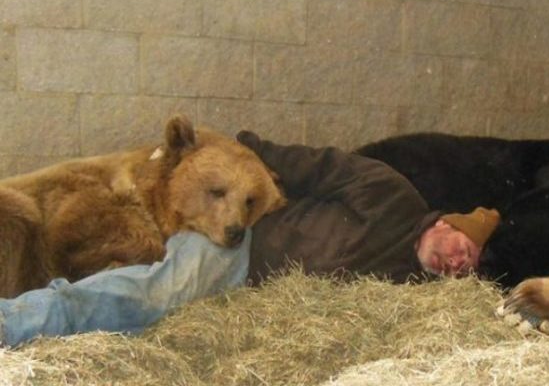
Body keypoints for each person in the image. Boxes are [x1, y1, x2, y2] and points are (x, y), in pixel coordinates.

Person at [0, 130, 500, 347]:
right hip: (238, 250)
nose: (462, 261)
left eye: (470, 264)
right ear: (446, 224)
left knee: (148, 317)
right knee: (150, 297)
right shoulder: (393, 196)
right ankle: (14, 323)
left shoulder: (412, 285)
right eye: (465, 246)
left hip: (254, 301)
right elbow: (315, 167)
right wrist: (248, 150)